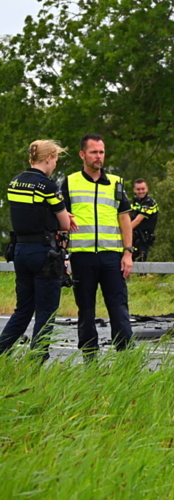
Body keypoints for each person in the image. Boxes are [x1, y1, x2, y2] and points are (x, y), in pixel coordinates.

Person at [61, 133, 134, 359]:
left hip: (112, 256)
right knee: (86, 309)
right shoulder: (70, 182)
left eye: (101, 152)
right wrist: (63, 255)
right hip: (81, 257)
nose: (98, 156)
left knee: (119, 307)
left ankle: (125, 355)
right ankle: (89, 356)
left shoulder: (115, 183)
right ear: (83, 154)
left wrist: (128, 253)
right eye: (94, 152)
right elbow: (60, 219)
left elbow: (125, 219)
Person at [0, 140, 74, 362]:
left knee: (23, 309)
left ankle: (2, 350)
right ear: (49, 158)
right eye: (56, 161)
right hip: (44, 253)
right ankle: (37, 360)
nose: (55, 165)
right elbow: (64, 224)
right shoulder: (48, 186)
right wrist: (65, 216)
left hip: (21, 250)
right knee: (46, 310)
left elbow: (29, 212)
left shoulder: (15, 182)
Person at [129, 178, 159, 261]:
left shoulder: (149, 202)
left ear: (147, 189)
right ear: (134, 190)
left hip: (143, 238)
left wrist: (123, 232)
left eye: (143, 189)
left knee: (141, 264)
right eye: (138, 189)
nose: (141, 191)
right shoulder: (136, 201)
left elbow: (138, 220)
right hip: (134, 237)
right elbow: (129, 215)